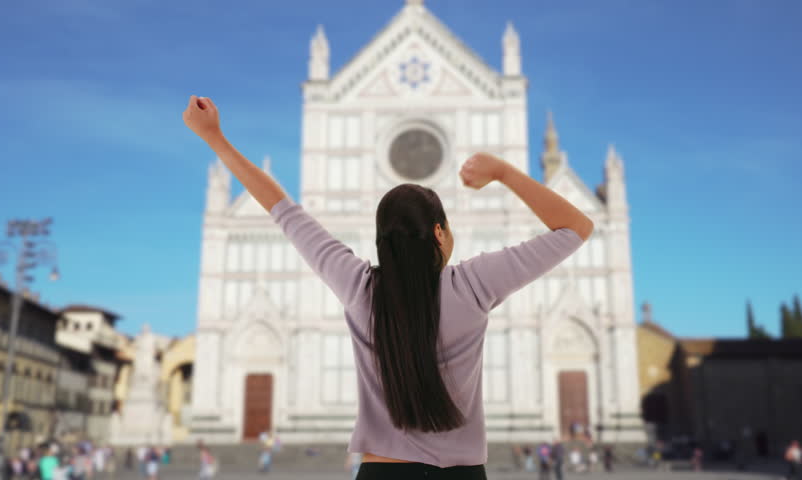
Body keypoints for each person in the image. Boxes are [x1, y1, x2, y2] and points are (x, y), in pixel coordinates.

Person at [183, 94, 592, 480]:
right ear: (439, 233)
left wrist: (213, 137)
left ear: (383, 242)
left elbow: (282, 210)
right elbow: (576, 227)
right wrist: (503, 172)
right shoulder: (474, 284)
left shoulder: (358, 286)